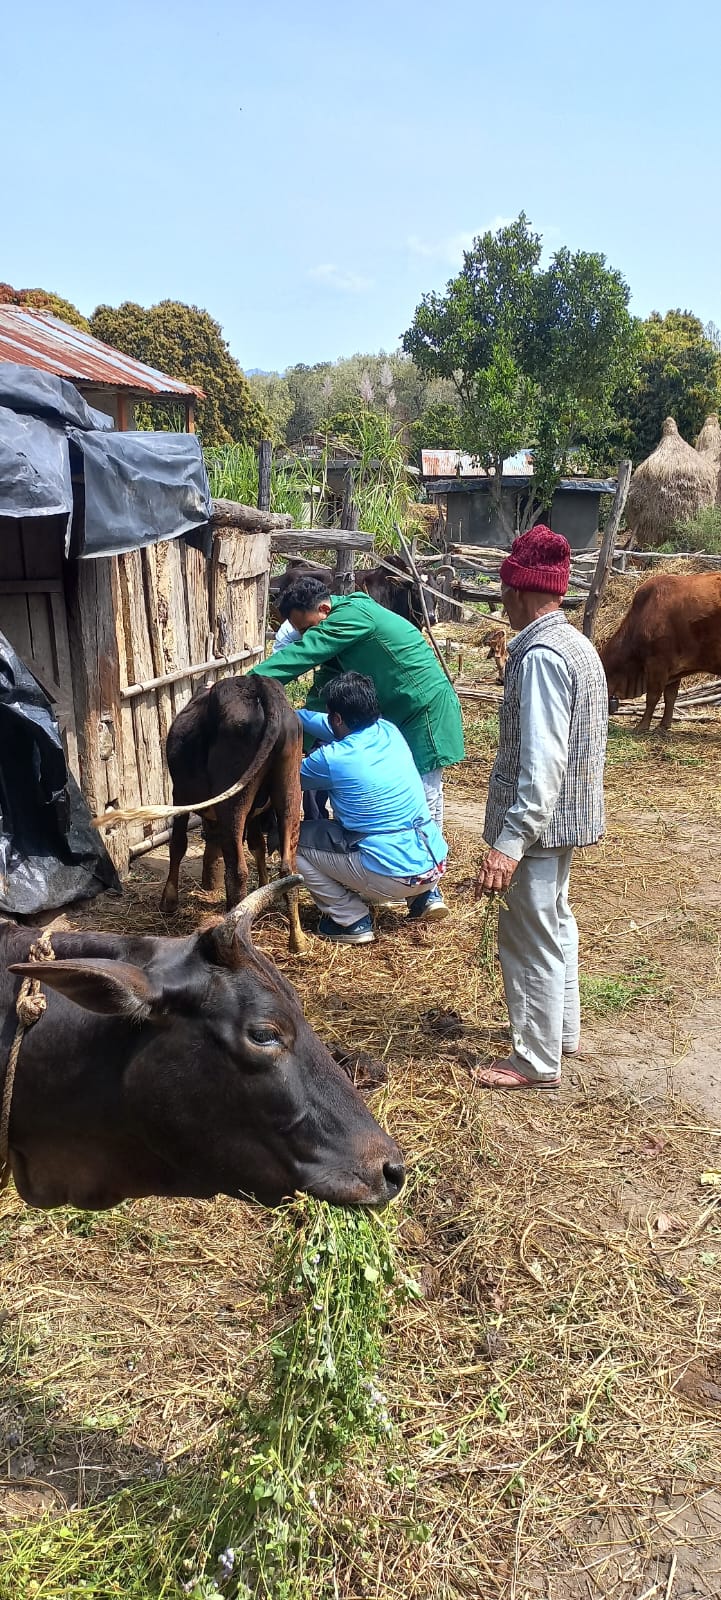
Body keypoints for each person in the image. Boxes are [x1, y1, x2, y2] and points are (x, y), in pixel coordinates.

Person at [474, 525, 608, 1090]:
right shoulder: (576, 643)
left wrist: (509, 843)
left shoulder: (541, 657)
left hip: (538, 826)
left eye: (506, 588)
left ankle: (534, 1060)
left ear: (523, 590)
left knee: (528, 939)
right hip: (563, 821)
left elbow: (543, 763)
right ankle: (562, 1034)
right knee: (554, 924)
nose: (502, 599)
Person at [251, 576, 464, 920]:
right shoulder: (337, 638)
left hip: (421, 710)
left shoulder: (351, 616)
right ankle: (403, 881)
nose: (307, 637)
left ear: (324, 609)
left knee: (423, 799)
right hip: (391, 716)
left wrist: (247, 684)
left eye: (308, 628)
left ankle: (426, 891)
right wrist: (294, 732)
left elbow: (304, 653)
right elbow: (322, 700)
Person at [294, 672, 449, 945]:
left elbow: (286, 782)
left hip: (390, 874)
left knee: (293, 841)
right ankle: (424, 897)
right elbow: (328, 725)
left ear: (337, 718)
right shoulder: (388, 730)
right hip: (433, 862)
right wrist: (293, 715)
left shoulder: (331, 759)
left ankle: (349, 920)